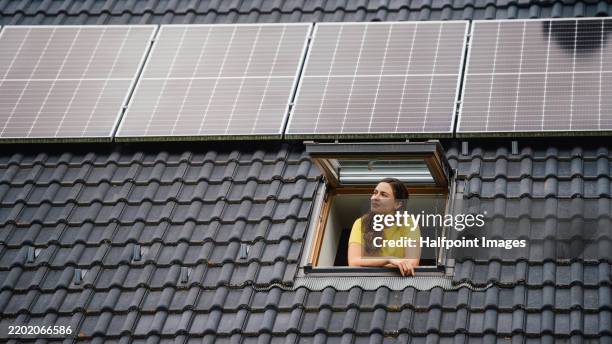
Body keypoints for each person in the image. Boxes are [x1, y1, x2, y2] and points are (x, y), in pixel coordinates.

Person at [347, 178, 421, 276]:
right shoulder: (361, 223)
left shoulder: (409, 223)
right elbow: (353, 262)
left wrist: (371, 264)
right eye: (375, 193)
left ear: (397, 204)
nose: (375, 197)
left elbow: (412, 263)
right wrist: (389, 259)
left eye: (383, 195)